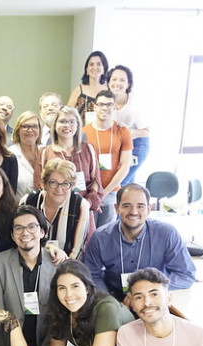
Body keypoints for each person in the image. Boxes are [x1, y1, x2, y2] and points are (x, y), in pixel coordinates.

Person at [84, 183, 196, 303]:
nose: (133, 212)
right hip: (114, 299)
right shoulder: (100, 238)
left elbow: (185, 274)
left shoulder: (167, 234)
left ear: (149, 209)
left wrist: (147, 291)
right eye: (126, 206)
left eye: (141, 206)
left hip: (153, 299)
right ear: (117, 208)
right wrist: (110, 303)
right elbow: (92, 276)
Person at [0, 206, 59, 346]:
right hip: (10, 345)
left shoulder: (57, 264)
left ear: (42, 232)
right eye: (18, 228)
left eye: (31, 227)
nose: (25, 233)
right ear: (13, 235)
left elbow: (59, 318)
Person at [39, 106, 103, 229]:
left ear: (78, 125)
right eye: (62, 121)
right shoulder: (45, 152)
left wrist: (86, 204)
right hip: (54, 213)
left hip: (84, 210)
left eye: (71, 121)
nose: (67, 125)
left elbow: (96, 181)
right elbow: (40, 183)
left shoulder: (88, 149)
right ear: (55, 125)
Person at [21, 158, 91, 259]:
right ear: (44, 184)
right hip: (30, 261)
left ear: (72, 186)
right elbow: (22, 240)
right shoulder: (28, 202)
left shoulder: (80, 206)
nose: (59, 189)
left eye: (65, 184)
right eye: (53, 183)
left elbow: (76, 252)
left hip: (65, 265)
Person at [83, 90, 133, 227]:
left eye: (109, 104)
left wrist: (104, 193)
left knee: (106, 235)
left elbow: (125, 166)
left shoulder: (123, 131)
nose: (105, 108)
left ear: (114, 106)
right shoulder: (84, 132)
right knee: (87, 235)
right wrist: (93, 194)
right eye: (101, 104)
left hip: (111, 192)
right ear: (95, 106)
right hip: (89, 193)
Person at [107, 65, 150, 186]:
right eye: (114, 79)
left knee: (121, 182)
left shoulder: (135, 103)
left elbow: (147, 131)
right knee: (128, 183)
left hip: (138, 143)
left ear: (128, 84)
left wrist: (131, 134)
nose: (117, 83)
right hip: (118, 143)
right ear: (108, 82)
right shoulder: (106, 99)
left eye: (122, 80)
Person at [67, 51, 109, 125]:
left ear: (104, 69)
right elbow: (67, 113)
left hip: (104, 133)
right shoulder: (79, 89)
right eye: (91, 64)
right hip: (82, 134)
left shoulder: (110, 89)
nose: (95, 67)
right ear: (86, 69)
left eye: (99, 64)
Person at [8, 111, 42, 198]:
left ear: (39, 130)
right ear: (18, 130)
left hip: (45, 208)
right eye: (25, 126)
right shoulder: (9, 154)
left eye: (34, 126)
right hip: (19, 208)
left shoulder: (46, 151)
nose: (30, 130)